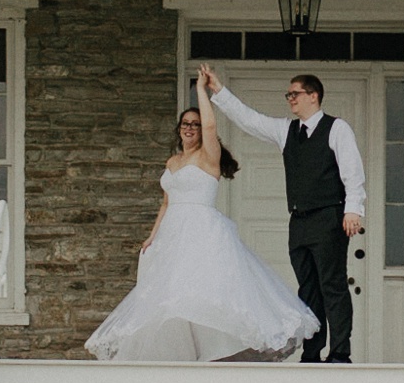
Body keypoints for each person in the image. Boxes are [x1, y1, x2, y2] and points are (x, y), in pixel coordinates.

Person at [84, 69, 320, 363]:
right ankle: (183, 357)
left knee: (199, 294)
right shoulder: (173, 161)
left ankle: (211, 356)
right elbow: (166, 202)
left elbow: (210, 126)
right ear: (179, 128)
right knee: (171, 298)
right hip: (172, 234)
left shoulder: (209, 156)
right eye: (186, 124)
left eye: (195, 124)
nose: (191, 128)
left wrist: (201, 90)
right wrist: (152, 236)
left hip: (201, 232)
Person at [201, 63, 365, 364]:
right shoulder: (285, 130)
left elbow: (352, 171)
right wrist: (219, 91)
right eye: (288, 94)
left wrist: (353, 209)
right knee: (308, 290)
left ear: (313, 96)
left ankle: (340, 352)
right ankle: (312, 353)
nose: (290, 99)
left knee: (333, 286)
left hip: (329, 217)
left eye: (295, 94)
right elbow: (249, 120)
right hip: (299, 222)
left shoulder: (336, 128)